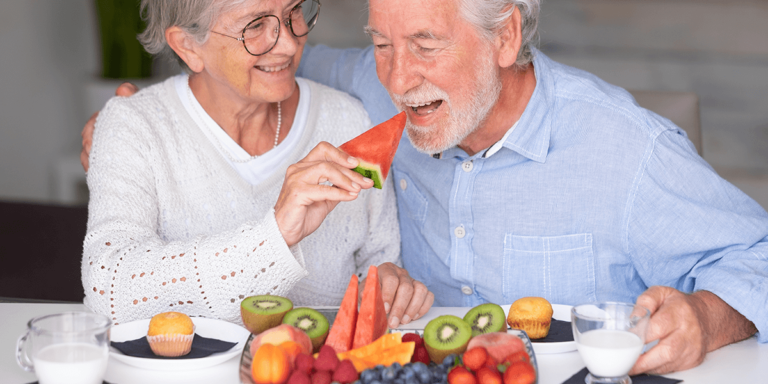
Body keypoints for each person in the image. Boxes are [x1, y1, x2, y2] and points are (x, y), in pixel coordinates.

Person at [82, 0, 768, 375]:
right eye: (381, 43)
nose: (397, 77)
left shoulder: (627, 149)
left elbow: (758, 258)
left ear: (504, 37)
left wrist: (705, 319)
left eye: (426, 45)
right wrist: (131, 120)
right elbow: (243, 55)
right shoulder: (351, 90)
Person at [81, 0, 434, 327]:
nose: (289, 44)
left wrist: (389, 280)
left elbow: (379, 260)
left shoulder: (349, 117)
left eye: (294, 11)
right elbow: (108, 287)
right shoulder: (133, 124)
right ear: (188, 46)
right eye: (254, 25)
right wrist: (275, 235)